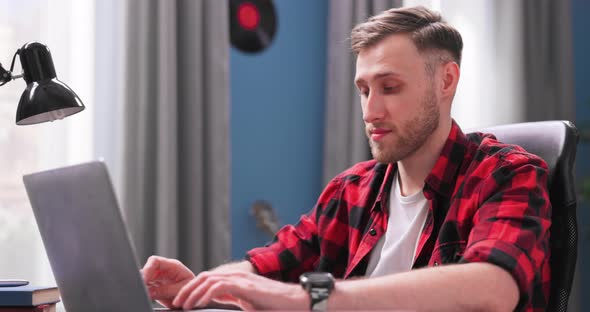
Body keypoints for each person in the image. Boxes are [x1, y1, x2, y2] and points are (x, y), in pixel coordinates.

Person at [141, 6, 550, 311]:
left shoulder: (508, 174)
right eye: (363, 90)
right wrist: (207, 285)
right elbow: (273, 263)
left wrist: (314, 298)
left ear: (446, 80)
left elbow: (493, 286)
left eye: (390, 87)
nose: (370, 111)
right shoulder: (353, 189)